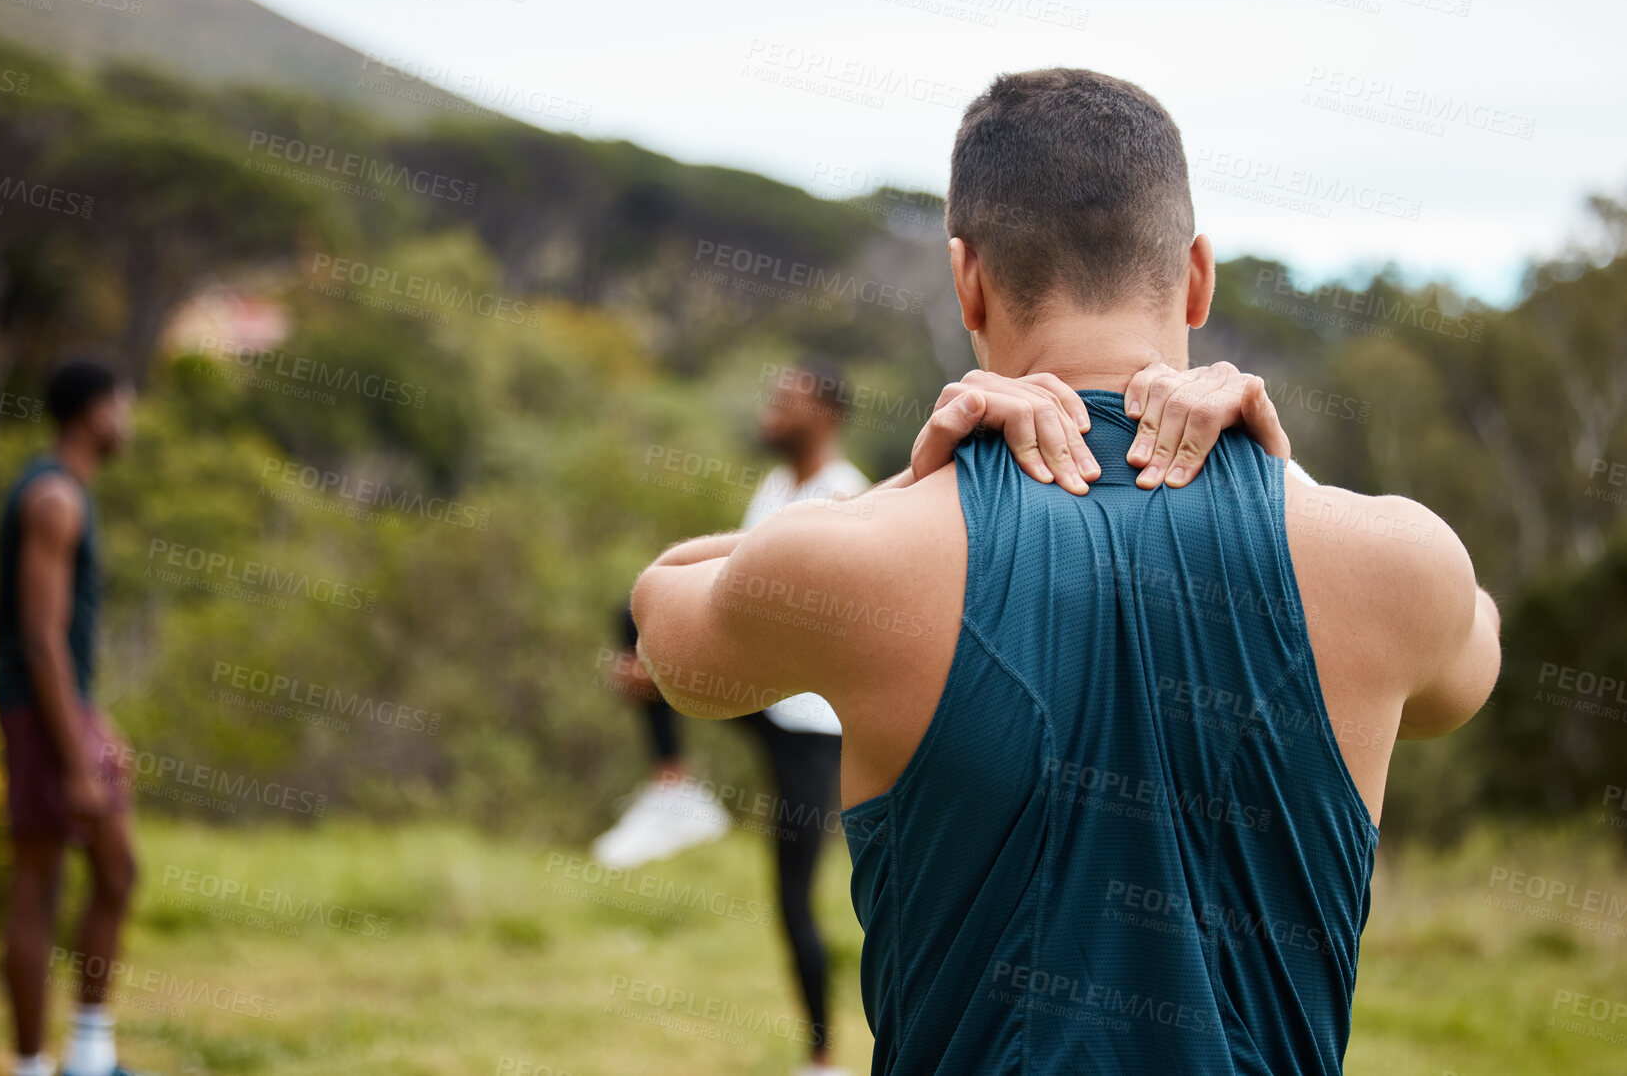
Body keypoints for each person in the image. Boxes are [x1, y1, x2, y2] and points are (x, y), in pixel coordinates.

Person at [631, 68, 1500, 1073]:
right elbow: (1468, 655)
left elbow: (664, 623)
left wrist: (894, 495)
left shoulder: (853, 563)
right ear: (1198, 275)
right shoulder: (1400, 566)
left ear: (967, 279)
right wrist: (1285, 475)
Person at [595, 361, 871, 1076]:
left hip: (815, 727)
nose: (771, 407)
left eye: (789, 398)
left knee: (794, 899)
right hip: (762, 700)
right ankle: (672, 785)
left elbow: (816, 636)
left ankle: (823, 1060)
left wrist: (676, 674)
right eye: (771, 394)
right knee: (632, 614)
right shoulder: (777, 489)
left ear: (828, 415)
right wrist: (664, 660)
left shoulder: (844, 497)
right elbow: (734, 597)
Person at [0, 359, 142, 1076]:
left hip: (62, 712)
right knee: (39, 883)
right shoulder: (54, 498)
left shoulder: (68, 493)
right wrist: (77, 760)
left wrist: (95, 724)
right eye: (124, 404)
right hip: (38, 718)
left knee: (116, 871)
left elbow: (65, 645)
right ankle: (32, 1067)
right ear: (95, 412)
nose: (129, 420)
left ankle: (88, 1056)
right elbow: (41, 636)